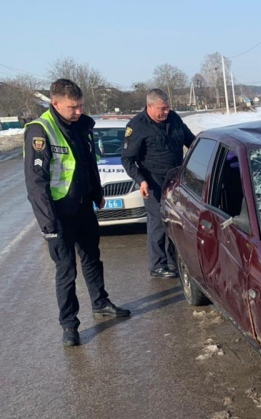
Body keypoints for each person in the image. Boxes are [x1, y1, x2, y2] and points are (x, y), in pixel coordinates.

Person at [24, 79, 130, 347]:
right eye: (73, 107)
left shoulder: (82, 126)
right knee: (66, 270)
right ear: (55, 103)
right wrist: (48, 224)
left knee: (92, 258)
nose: (79, 111)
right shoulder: (40, 130)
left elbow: (87, 162)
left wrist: (97, 194)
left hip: (84, 207)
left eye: (81, 105)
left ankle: (100, 302)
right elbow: (36, 184)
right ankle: (69, 325)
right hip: (58, 214)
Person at [121, 89, 196, 278]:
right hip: (153, 181)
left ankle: (173, 260)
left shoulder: (174, 119)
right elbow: (128, 159)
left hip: (176, 179)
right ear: (150, 106)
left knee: (175, 221)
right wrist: (141, 181)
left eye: (168, 108)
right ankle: (157, 264)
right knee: (158, 222)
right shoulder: (137, 126)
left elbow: (191, 141)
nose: (165, 112)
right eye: (161, 109)